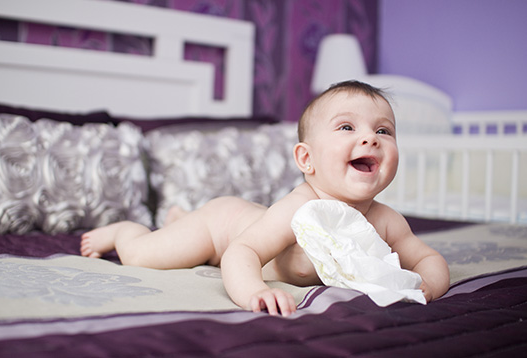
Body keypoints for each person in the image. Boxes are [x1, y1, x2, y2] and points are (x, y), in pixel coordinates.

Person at [81, 80, 450, 317]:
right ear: (307, 159)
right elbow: (243, 253)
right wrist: (253, 291)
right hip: (220, 227)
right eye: (347, 127)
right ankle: (125, 231)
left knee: (186, 229)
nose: (370, 138)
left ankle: (179, 217)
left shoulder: (387, 220)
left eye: (383, 130)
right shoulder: (299, 207)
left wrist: (428, 286)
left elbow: (428, 258)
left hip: (243, 221)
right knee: (141, 257)